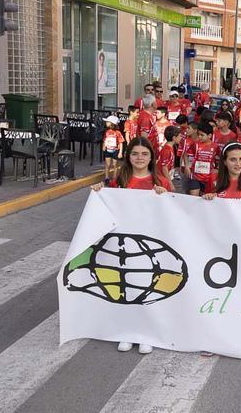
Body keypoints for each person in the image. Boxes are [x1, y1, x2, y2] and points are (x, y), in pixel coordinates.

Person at [91, 137, 172, 355]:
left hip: (152, 241)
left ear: (151, 157)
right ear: (128, 156)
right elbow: (109, 203)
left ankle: (148, 333)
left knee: (149, 286)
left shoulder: (160, 181)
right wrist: (100, 190)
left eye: (144, 154)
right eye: (135, 154)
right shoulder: (120, 179)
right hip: (125, 242)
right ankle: (127, 331)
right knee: (126, 286)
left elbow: (173, 211)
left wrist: (166, 197)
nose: (139, 158)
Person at [187, 123, 220, 196]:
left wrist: (217, 169)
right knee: (193, 198)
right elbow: (186, 155)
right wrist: (187, 166)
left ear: (209, 136)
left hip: (209, 177)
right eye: (198, 134)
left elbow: (220, 158)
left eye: (202, 135)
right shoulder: (195, 144)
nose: (199, 137)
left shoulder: (215, 146)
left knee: (206, 199)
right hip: (195, 177)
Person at [101, 115, 125, 185]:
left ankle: (114, 178)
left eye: (107, 122)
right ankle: (107, 178)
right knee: (107, 164)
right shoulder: (107, 132)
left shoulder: (118, 133)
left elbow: (121, 142)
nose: (106, 123)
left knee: (115, 165)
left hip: (115, 150)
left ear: (112, 123)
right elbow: (105, 140)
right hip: (108, 150)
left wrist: (120, 152)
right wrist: (104, 146)